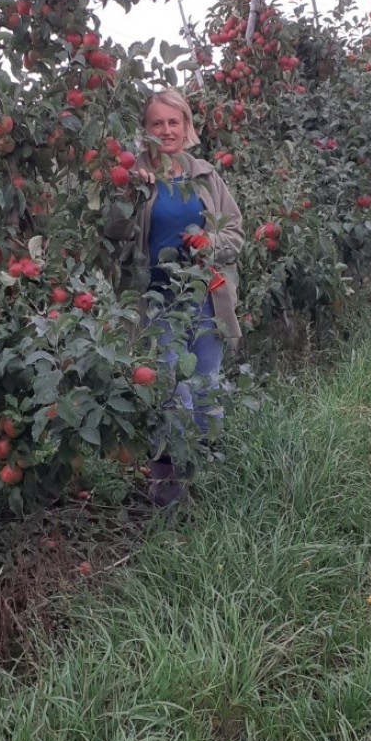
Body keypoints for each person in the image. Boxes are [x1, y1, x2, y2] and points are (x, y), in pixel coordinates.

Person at [111, 88, 244, 506]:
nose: (166, 130)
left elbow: (235, 233)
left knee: (206, 393)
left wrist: (209, 242)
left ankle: (208, 489)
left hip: (206, 299)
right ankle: (169, 496)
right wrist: (129, 193)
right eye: (157, 123)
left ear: (186, 127)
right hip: (155, 303)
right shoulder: (132, 177)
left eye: (174, 122)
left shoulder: (205, 176)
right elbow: (112, 234)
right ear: (145, 130)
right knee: (169, 395)